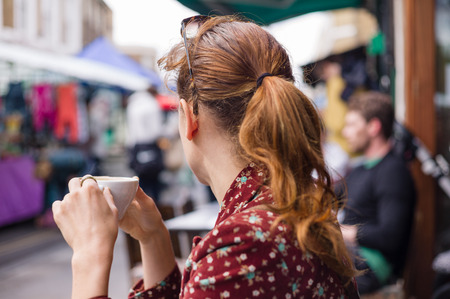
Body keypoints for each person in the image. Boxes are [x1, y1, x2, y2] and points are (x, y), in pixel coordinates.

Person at [52, 15, 360, 299]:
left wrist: (89, 258)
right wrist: (154, 239)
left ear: (189, 117)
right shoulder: (292, 203)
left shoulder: (242, 245)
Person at [339, 91, 416, 294]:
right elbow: (325, 194)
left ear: (373, 127)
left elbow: (390, 236)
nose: (345, 132)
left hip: (372, 265)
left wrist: (341, 231)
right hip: (352, 254)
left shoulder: (393, 171)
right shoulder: (358, 171)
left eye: (352, 125)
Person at [126, 85, 165, 202]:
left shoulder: (132, 104)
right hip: (151, 147)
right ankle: (155, 211)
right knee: (154, 185)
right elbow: (156, 130)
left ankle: (142, 211)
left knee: (141, 184)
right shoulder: (152, 105)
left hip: (136, 147)